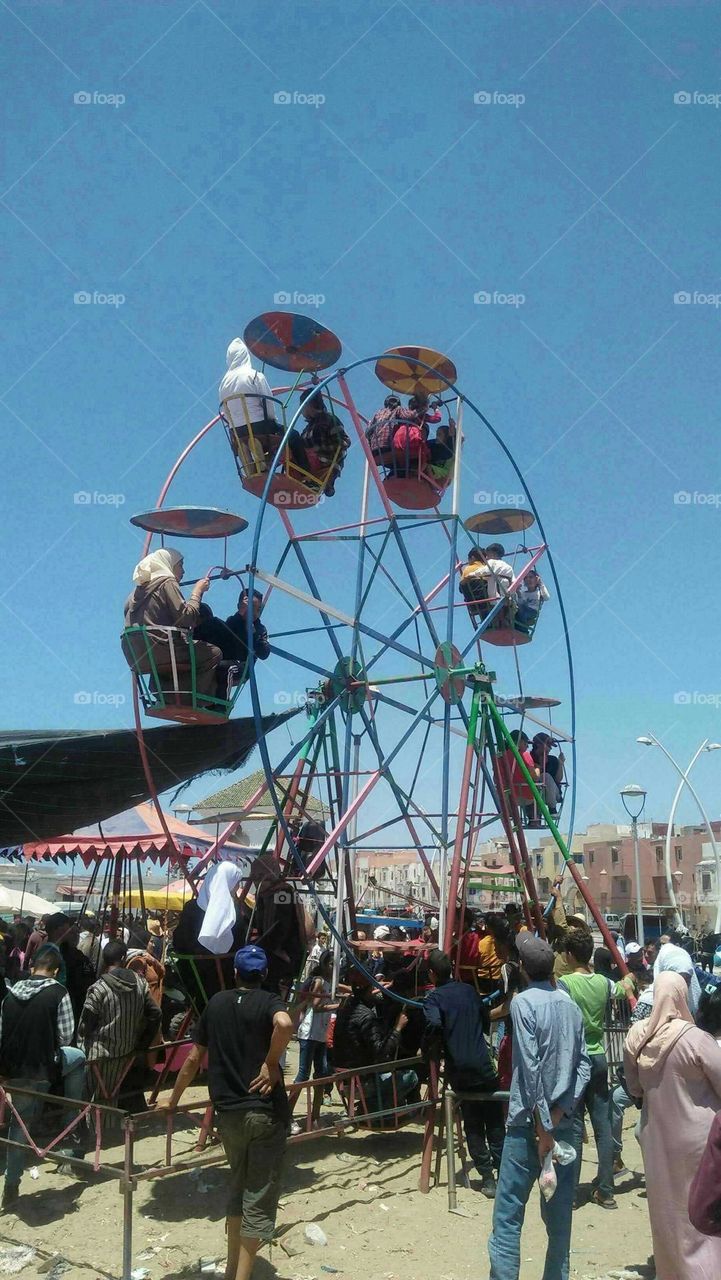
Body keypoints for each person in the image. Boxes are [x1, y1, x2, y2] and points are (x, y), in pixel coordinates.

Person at [158, 945, 293, 1280]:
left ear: (235, 973)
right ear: (262, 975)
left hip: (228, 1113)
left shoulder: (216, 1003)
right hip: (263, 1113)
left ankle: (232, 1268)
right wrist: (271, 1062)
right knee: (258, 1195)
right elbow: (285, 1023)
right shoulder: (269, 1002)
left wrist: (172, 1100)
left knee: (238, 1187)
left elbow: (192, 1060)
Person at [487, 933, 590, 1280]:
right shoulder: (571, 1006)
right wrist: (559, 1114)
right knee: (560, 1224)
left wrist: (543, 1128)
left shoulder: (522, 1004)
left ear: (524, 969)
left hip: (526, 1125)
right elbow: (584, 1066)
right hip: (565, 1124)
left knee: (507, 1219)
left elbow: (529, 1068)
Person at [624, 971, 721, 1279]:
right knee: (701, 1208)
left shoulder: (636, 1037)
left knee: (667, 1211)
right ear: (681, 996)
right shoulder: (694, 1038)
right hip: (699, 1140)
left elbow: (634, 1088)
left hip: (656, 1137)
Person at [0, 944, 87, 1208]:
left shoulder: (9, 995)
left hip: (13, 1071)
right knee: (79, 1057)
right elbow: (65, 1035)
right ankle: (70, 1117)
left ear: (32, 966)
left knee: (20, 1126)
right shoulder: (58, 993)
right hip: (41, 1068)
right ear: (56, 970)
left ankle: (12, 1183)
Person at [558, 927, 634, 1208]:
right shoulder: (603, 983)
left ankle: (570, 1192)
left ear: (568, 955)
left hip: (576, 1059)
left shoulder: (565, 985)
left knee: (575, 1127)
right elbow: (624, 988)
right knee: (602, 1126)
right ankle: (606, 1189)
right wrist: (628, 979)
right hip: (599, 1056)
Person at [424, 949, 504, 1198]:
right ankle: (502, 1172)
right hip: (483, 1064)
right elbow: (483, 1015)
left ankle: (488, 1176)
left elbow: (434, 1024)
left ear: (432, 974)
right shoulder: (469, 991)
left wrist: (431, 1047)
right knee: (494, 1121)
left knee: (473, 1125)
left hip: (461, 1069)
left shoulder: (434, 999)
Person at [121, 548, 222, 702]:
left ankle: (164, 695)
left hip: (136, 655)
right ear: (168, 564)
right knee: (213, 653)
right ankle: (194, 699)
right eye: (180, 565)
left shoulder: (135, 593)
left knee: (170, 657)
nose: (183, 571)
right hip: (162, 649)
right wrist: (197, 592)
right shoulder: (167, 582)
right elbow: (186, 617)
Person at [78, 941, 161, 1113]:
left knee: (93, 1098)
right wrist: (142, 1044)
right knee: (113, 1096)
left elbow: (86, 1025)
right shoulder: (141, 984)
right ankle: (111, 1130)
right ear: (123, 958)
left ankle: (96, 1134)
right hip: (127, 1052)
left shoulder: (98, 988)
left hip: (99, 1055)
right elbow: (156, 1014)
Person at [333, 970, 418, 1114]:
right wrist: (398, 1027)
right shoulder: (366, 1016)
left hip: (344, 1079)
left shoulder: (344, 1009)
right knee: (411, 1076)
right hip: (362, 1082)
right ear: (369, 989)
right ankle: (375, 1109)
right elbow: (381, 1052)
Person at [288, 949, 335, 1132]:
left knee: (322, 1074)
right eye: (331, 964)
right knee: (303, 1074)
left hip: (320, 1034)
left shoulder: (330, 982)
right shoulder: (319, 982)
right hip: (309, 1032)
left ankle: (315, 1116)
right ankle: (288, 1115)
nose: (333, 967)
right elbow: (315, 1006)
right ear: (324, 964)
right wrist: (338, 1004)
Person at [219, 338, 281, 475]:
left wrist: (233, 426)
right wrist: (273, 421)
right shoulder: (254, 375)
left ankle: (247, 455)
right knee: (291, 436)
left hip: (238, 431)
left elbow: (226, 411)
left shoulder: (223, 384)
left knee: (246, 436)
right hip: (260, 426)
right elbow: (268, 403)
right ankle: (264, 461)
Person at [290, 388, 350, 496]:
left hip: (323, 461)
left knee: (292, 436)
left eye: (301, 406)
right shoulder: (309, 427)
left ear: (307, 405)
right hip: (310, 461)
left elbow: (344, 442)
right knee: (288, 447)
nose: (301, 411)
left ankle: (313, 480)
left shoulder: (328, 419)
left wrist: (331, 463)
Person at [366, 394, 401, 461]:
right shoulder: (398, 410)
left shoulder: (378, 413)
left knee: (396, 466)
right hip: (389, 447)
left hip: (374, 450)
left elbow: (367, 432)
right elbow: (408, 416)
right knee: (403, 462)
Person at [514, 567, 550, 632]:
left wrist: (540, 583)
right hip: (523, 610)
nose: (528, 579)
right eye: (526, 578)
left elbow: (546, 597)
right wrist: (518, 593)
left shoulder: (539, 592)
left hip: (532, 611)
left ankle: (523, 630)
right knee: (515, 608)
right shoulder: (523, 594)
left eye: (531, 577)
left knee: (521, 610)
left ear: (536, 579)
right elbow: (520, 602)